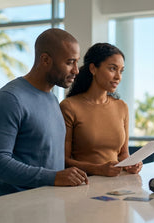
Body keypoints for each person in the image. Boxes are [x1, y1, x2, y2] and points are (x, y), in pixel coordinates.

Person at [0, 28, 88, 197]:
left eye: (76, 62)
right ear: (45, 60)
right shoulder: (9, 99)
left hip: (49, 205)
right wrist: (53, 177)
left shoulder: (52, 99)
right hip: (15, 211)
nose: (76, 70)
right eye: (69, 62)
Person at [60, 43, 142, 177]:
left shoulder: (121, 107)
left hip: (116, 187)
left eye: (121, 71)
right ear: (93, 68)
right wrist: (98, 169)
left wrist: (132, 164)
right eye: (112, 69)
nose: (118, 77)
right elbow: (63, 160)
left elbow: (123, 154)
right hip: (82, 185)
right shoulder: (69, 106)